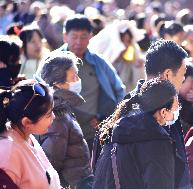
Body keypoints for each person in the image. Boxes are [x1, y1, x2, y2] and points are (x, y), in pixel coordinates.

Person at [121, 39, 191, 189]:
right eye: (183, 74)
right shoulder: (140, 116)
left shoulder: (128, 105)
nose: (183, 79)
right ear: (167, 75)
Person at [55, 14, 125, 150]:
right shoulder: (52, 61)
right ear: (65, 36)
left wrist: (107, 118)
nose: (78, 42)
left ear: (91, 37)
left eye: (83, 37)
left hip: (93, 133)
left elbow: (119, 90)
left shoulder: (99, 62)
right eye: (74, 37)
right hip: (60, 132)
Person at [93, 78, 180, 189]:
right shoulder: (158, 141)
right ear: (163, 112)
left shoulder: (114, 129)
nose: (177, 113)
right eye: (176, 108)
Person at [39, 51, 94, 189]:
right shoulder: (57, 114)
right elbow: (51, 160)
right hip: (73, 183)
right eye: (74, 77)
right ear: (58, 83)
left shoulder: (62, 108)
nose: (78, 80)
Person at [0, 79, 61, 189]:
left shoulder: (27, 136)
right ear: (27, 122)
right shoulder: (8, 152)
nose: (54, 117)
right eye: (48, 114)